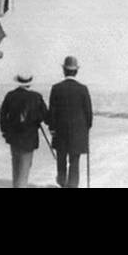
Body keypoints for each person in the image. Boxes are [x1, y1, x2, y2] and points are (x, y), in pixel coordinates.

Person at [47, 56, 92, 188]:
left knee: (61, 159)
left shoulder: (56, 88)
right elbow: (88, 114)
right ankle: (72, 185)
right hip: (78, 133)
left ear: (64, 70)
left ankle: (62, 182)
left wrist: (52, 128)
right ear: (76, 71)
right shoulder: (83, 89)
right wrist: (86, 128)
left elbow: (52, 112)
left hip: (60, 132)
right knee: (74, 161)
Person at [0, 72, 48, 188]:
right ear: (29, 83)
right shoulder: (36, 97)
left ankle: (16, 185)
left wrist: (5, 132)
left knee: (16, 164)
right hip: (29, 138)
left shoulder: (10, 95)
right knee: (25, 166)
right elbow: (45, 116)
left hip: (13, 138)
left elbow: (2, 116)